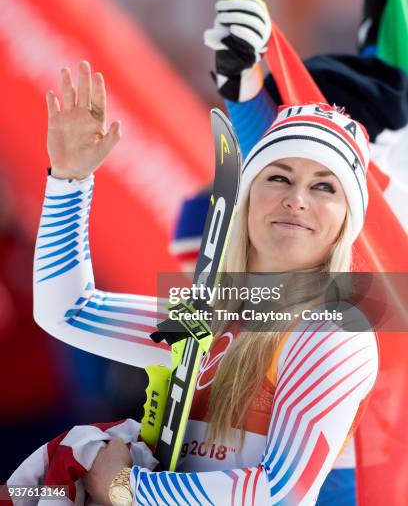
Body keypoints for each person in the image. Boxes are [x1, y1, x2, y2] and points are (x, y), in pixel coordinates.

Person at [27, 57, 378, 505]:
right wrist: (70, 179)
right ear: (247, 197)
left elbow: (282, 492)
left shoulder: (334, 332)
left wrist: (126, 490)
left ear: (347, 218)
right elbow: (68, 311)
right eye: (279, 177)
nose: (296, 200)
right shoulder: (204, 316)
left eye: (325, 187)